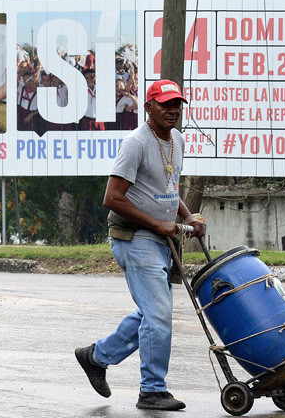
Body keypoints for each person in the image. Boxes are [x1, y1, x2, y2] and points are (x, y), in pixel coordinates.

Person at [75, 79, 206, 411]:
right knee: (159, 313)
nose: (172, 110)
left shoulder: (176, 139)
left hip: (162, 237)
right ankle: (152, 389)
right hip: (134, 238)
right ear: (148, 107)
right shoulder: (135, 143)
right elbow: (112, 198)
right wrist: (157, 224)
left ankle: (96, 356)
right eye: (164, 104)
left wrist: (188, 217)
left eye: (177, 104)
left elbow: (168, 188)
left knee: (152, 312)